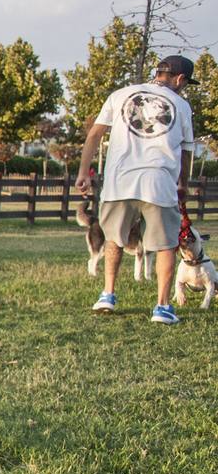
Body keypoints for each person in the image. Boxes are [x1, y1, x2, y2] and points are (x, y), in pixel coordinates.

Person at [76, 54, 197, 325]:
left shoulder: (121, 94)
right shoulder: (181, 105)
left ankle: (107, 294)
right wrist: (183, 184)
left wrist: (84, 172)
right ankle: (162, 308)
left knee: (114, 238)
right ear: (179, 79)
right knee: (165, 245)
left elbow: (95, 134)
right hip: (159, 182)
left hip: (120, 180)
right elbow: (187, 151)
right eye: (186, 82)